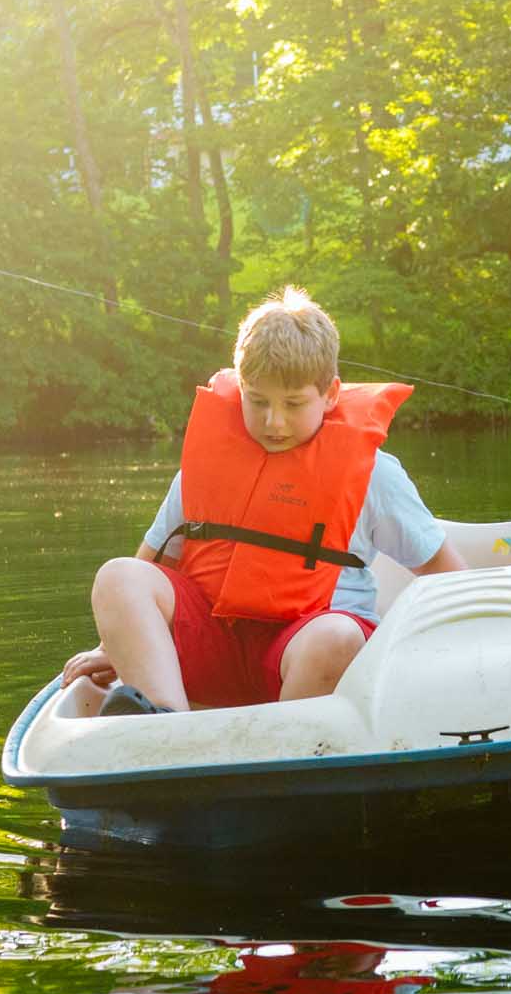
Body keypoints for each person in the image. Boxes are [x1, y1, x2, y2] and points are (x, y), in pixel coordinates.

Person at [58, 287, 463, 714]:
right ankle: (165, 721)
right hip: (214, 645)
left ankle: (283, 746)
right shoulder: (207, 466)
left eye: (293, 404)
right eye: (258, 400)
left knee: (337, 637)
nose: (274, 421)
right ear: (241, 388)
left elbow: (446, 571)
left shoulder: (374, 474)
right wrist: (115, 646)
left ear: (330, 394)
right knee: (119, 575)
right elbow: (154, 563)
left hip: (305, 651)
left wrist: (436, 660)